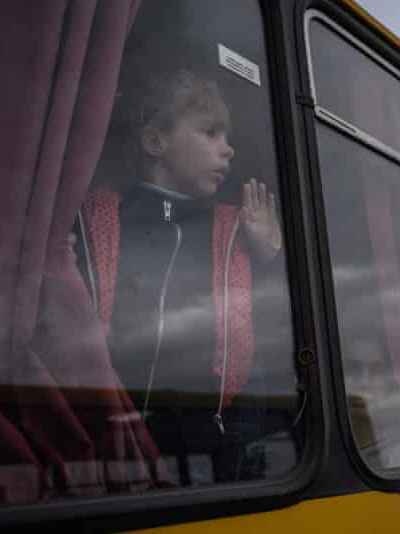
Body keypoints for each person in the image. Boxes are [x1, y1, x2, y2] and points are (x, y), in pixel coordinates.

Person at [79, 69, 284, 486]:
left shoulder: (232, 229)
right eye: (211, 133)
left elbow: (271, 325)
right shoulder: (102, 217)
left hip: (209, 440)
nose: (227, 150)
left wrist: (267, 256)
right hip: (111, 432)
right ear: (156, 142)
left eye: (227, 138)